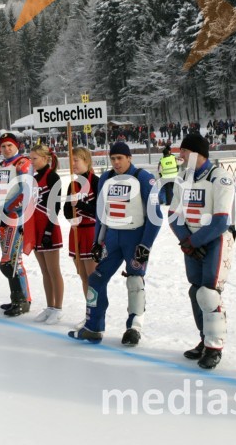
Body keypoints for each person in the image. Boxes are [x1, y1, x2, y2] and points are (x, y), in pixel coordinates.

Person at [68, 141, 162, 346]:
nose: (116, 162)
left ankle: (134, 328)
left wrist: (145, 245)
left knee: (135, 280)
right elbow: (101, 212)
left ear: (129, 158)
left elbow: (156, 216)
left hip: (135, 238)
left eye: (120, 158)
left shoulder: (144, 178)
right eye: (113, 158)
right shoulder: (106, 178)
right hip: (112, 238)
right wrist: (97, 241)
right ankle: (93, 326)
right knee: (96, 279)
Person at [169, 133, 235, 369]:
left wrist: (193, 242)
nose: (180, 156)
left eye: (184, 151)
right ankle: (204, 339)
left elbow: (221, 222)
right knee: (195, 290)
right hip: (191, 240)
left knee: (209, 293)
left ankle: (214, 346)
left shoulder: (220, 178)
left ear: (197, 153)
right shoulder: (181, 178)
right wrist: (186, 241)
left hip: (215, 239)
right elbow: (173, 215)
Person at [0, 132, 33, 317]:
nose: (6, 149)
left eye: (10, 145)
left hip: (16, 217)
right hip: (1, 219)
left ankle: (23, 300)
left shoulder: (23, 163)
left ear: (17, 146)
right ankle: (16, 297)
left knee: (11, 261)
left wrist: (9, 209)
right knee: (9, 260)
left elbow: (26, 191)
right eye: (3, 146)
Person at [29, 144, 65, 324]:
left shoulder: (53, 177)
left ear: (45, 158)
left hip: (49, 227)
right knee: (44, 271)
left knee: (53, 270)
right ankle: (50, 306)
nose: (32, 162)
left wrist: (49, 230)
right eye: (31, 158)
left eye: (35, 158)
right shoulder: (34, 178)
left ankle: (58, 308)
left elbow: (55, 206)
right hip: (35, 227)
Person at [63, 147, 98, 300]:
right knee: (83, 277)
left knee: (93, 279)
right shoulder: (73, 184)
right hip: (77, 233)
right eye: (71, 161)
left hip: (92, 232)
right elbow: (66, 210)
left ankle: (96, 314)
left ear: (86, 160)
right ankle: (89, 311)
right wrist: (71, 215)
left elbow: (99, 210)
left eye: (76, 160)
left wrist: (80, 204)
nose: (73, 164)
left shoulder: (97, 181)